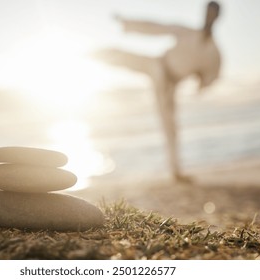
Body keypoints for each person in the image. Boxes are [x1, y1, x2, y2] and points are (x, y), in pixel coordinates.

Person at [95, 1, 221, 182]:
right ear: (204, 13)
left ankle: (176, 172)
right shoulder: (187, 32)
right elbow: (156, 27)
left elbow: (212, 76)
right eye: (207, 12)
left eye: (213, 13)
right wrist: (126, 23)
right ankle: (84, 55)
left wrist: (202, 81)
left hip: (169, 85)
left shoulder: (213, 52)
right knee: (120, 56)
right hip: (156, 64)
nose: (209, 16)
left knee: (170, 126)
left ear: (217, 17)